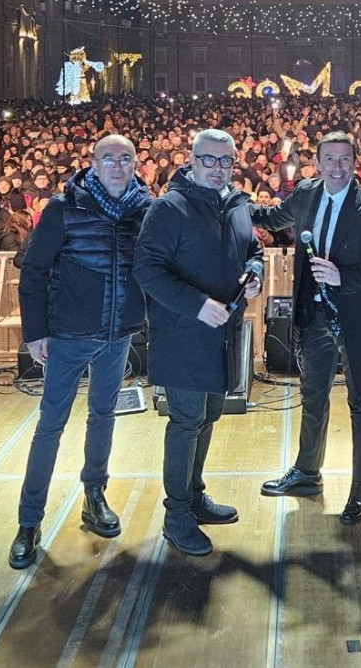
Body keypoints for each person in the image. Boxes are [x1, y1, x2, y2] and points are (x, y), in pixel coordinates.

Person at [9, 135, 153, 570]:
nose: (117, 165)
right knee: (50, 426)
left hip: (118, 334)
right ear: (92, 163)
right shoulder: (63, 208)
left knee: (103, 415)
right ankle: (29, 521)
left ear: (135, 164)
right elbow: (33, 270)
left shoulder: (145, 209)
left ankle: (94, 495)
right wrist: (35, 332)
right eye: (109, 158)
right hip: (68, 334)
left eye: (125, 158)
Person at [252, 131, 361, 525]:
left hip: (356, 323)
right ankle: (307, 472)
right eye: (329, 158)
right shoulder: (304, 194)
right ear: (316, 162)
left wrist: (341, 277)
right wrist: (229, 200)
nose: (337, 166)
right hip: (314, 318)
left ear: (356, 162)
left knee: (360, 404)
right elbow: (270, 218)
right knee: (312, 397)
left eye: (344, 158)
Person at [134, 129, 262, 556]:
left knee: (208, 416)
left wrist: (256, 273)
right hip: (183, 335)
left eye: (226, 161)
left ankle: (193, 496)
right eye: (209, 159)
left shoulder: (236, 204)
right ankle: (176, 515)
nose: (217, 168)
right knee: (186, 421)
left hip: (222, 333)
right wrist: (196, 305)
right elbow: (147, 269)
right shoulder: (169, 208)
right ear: (191, 161)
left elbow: (253, 248)